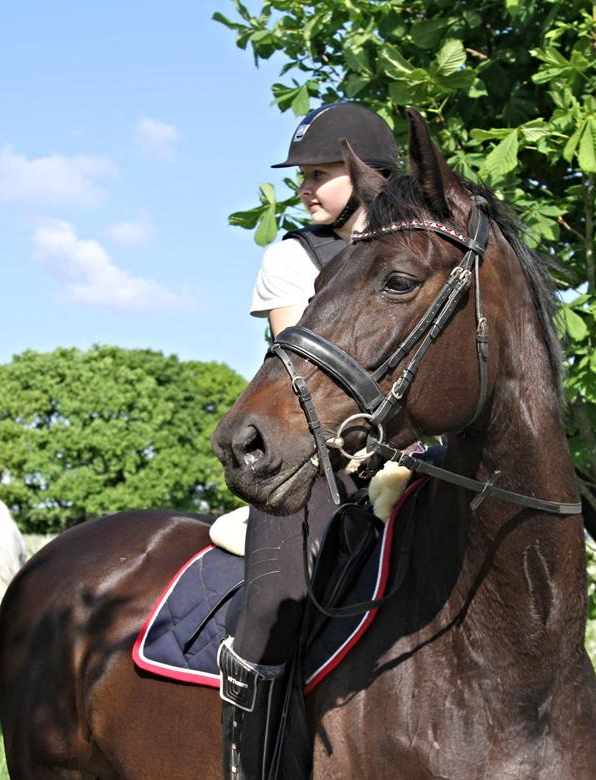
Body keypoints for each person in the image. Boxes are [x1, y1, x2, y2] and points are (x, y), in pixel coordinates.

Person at [218, 103, 401, 780]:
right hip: (314, 465)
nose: (304, 189)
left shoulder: (414, 250)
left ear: (369, 175)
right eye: (303, 176)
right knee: (272, 608)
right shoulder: (291, 256)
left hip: (407, 458)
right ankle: (252, 764)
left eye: (320, 174)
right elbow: (307, 378)